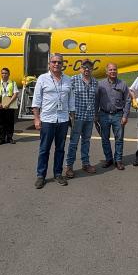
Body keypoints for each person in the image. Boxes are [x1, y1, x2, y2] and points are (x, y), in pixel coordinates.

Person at [32, 54, 76, 189]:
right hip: (47, 120)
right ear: (49, 64)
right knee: (44, 149)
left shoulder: (68, 80)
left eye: (59, 62)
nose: (56, 64)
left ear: (63, 64)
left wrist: (72, 118)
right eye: (54, 62)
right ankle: (41, 176)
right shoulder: (42, 79)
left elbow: (71, 100)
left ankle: (58, 173)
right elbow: (36, 100)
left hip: (62, 120)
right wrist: (36, 118)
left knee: (60, 149)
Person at [64, 59, 99, 178]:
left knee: (86, 141)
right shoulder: (73, 80)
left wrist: (95, 114)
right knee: (74, 142)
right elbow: (68, 96)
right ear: (80, 68)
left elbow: (95, 100)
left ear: (92, 69)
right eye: (84, 67)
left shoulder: (95, 82)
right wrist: (70, 113)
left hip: (89, 117)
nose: (87, 69)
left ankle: (85, 163)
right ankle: (69, 166)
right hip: (77, 116)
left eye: (89, 67)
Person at [94, 62, 130, 171]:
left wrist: (125, 115)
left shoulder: (123, 84)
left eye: (114, 69)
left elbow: (128, 100)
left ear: (117, 71)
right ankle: (109, 159)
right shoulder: (100, 85)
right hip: (104, 114)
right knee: (105, 139)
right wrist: (95, 115)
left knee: (119, 139)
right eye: (110, 70)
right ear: (106, 72)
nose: (113, 71)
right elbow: (96, 100)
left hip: (118, 115)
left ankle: (118, 160)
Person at [0, 67, 18, 145]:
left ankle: (10, 138)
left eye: (6, 73)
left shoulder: (13, 83)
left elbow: (15, 94)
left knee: (10, 122)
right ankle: (1, 139)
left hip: (9, 106)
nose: (4, 75)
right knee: (0, 123)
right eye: (2, 73)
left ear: (9, 74)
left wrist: (8, 104)